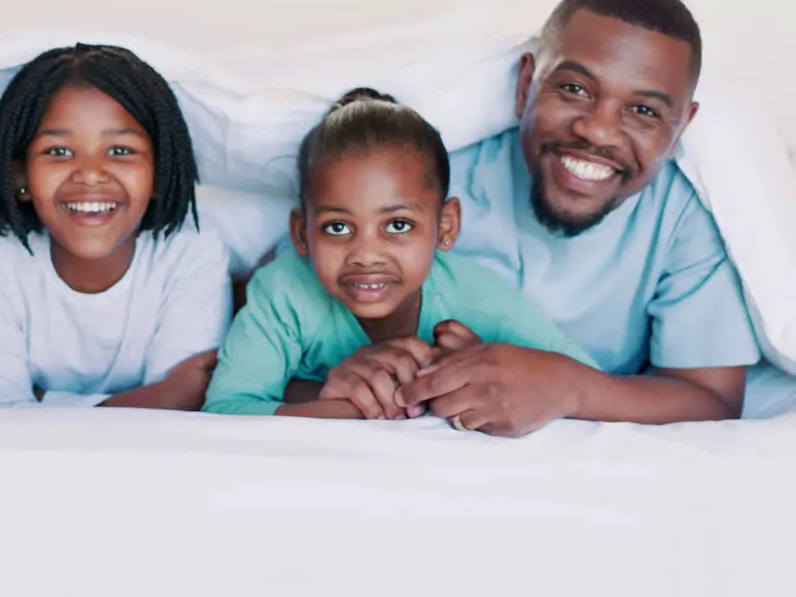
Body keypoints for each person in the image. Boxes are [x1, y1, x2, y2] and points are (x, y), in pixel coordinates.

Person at [291, 0, 762, 436]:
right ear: (525, 86)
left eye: (644, 111)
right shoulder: (419, 181)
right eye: (575, 89)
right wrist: (327, 387)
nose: (597, 131)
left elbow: (711, 397)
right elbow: (263, 321)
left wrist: (570, 388)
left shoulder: (684, 219)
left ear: (681, 128)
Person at [203, 89, 596, 419]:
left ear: (446, 226)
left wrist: (490, 371)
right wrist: (350, 403)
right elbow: (224, 411)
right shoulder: (284, 291)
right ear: (301, 234)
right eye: (337, 227)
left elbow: (587, 381)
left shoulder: (481, 300)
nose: (366, 254)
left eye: (398, 225)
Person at [0, 44, 231, 409]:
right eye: (58, 152)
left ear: (160, 174)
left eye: (119, 151)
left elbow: (179, 415)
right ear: (20, 175)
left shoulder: (193, 249)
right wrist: (158, 397)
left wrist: (42, 404)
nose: (89, 174)